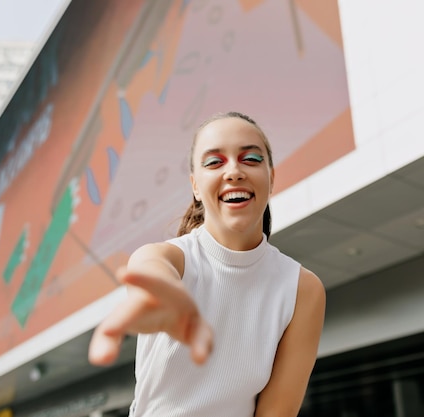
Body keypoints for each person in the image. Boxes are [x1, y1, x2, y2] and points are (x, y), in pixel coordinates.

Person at [88, 111, 326, 417]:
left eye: (251, 159)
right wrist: (165, 298)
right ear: (195, 186)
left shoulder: (302, 288)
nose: (234, 172)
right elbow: (151, 270)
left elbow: (276, 412)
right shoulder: (168, 258)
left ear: (271, 176)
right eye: (214, 162)